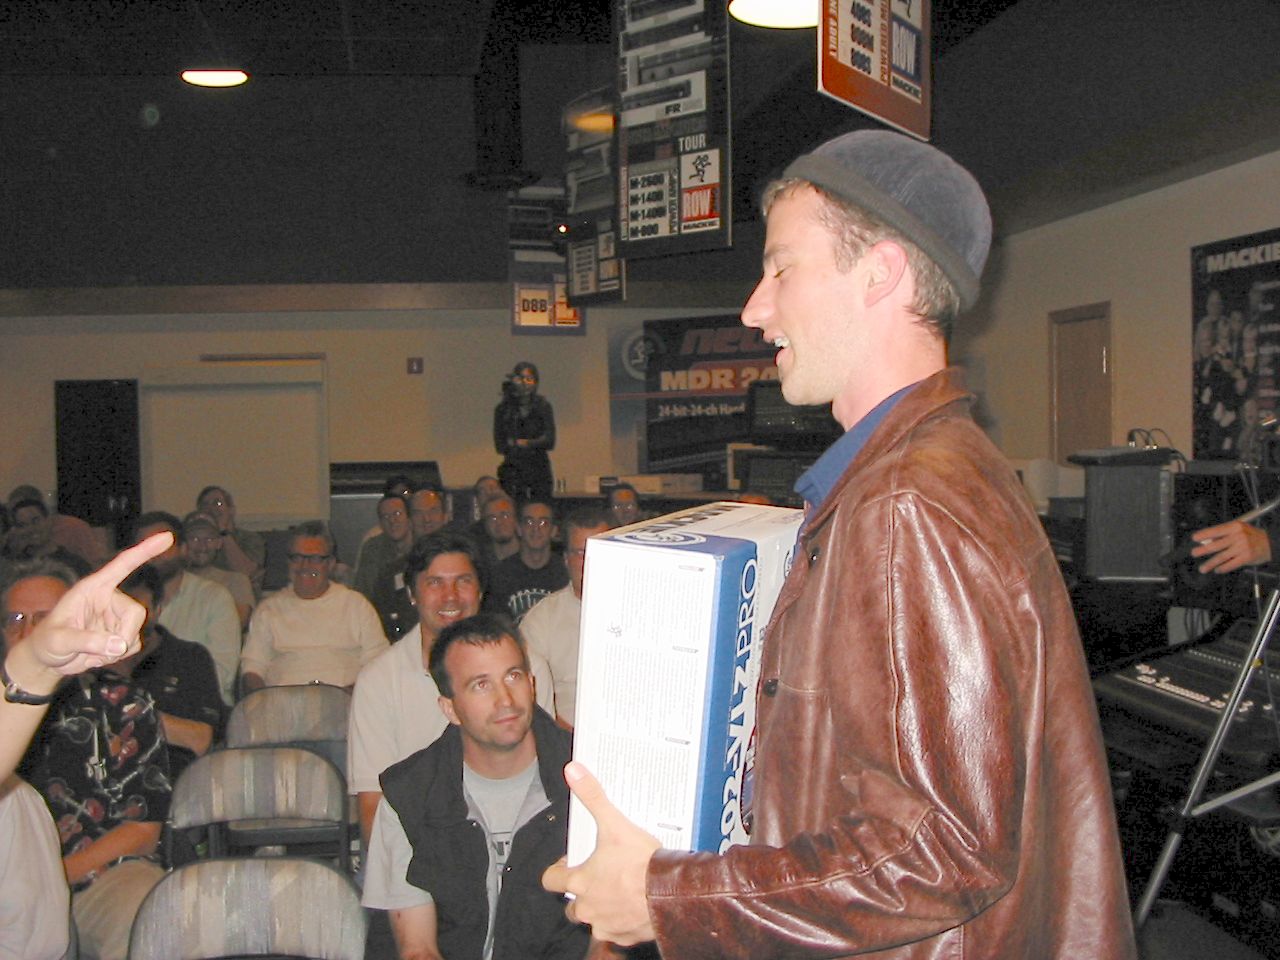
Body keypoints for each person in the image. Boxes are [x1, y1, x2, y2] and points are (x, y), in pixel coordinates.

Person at [544, 130, 1136, 958]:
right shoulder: (935, 470)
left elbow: (940, 850)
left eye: (782, 269)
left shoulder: (906, 503)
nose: (755, 308)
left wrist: (667, 897)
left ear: (880, 273)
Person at [364, 613, 590, 960]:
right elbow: (418, 949)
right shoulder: (409, 796)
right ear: (450, 709)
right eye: (481, 685)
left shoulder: (588, 780)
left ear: (532, 685)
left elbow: (610, 943)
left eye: (513, 676)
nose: (506, 700)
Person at [348, 530, 555, 847]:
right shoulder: (378, 681)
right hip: (420, 849)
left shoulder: (528, 668)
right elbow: (373, 805)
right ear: (412, 593)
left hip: (514, 841)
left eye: (463, 581)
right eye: (435, 583)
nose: (451, 597)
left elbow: (545, 778)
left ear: (481, 590)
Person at [8, 562, 170, 960]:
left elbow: (143, 829)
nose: (29, 633)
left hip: (100, 877)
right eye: (15, 620)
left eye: (45, 618)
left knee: (147, 911)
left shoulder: (123, 702)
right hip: (10, 889)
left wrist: (56, 877)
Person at [240, 521, 387, 692]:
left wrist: (350, 695)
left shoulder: (356, 606)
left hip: (347, 702)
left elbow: (379, 663)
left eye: (315, 559)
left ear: (330, 564)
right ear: (288, 562)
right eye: (297, 557)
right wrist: (264, 699)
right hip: (283, 704)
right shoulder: (268, 610)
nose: (305, 566)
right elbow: (252, 668)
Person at [116, 564, 226, 781]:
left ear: (158, 609)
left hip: (169, 779)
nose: (127, 620)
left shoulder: (190, 657)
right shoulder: (91, 663)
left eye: (137, 609)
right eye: (119, 610)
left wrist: (130, 714)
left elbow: (201, 740)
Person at [131, 512, 241, 706]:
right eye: (144, 547)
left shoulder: (214, 598)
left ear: (182, 549)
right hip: (137, 707)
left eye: (161, 546)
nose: (153, 555)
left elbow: (222, 674)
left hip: (197, 707)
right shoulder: (124, 601)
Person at [521, 507, 612, 727]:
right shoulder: (542, 619)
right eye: (580, 552)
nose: (589, 560)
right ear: (566, 559)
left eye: (599, 550)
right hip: (563, 736)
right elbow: (528, 699)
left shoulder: (642, 612)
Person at [487, 499, 568, 622]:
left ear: (554, 531)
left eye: (543, 523)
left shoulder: (566, 573)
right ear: (519, 528)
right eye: (529, 522)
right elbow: (496, 626)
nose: (536, 529)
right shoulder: (500, 575)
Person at [180, 510, 255, 630]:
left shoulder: (236, 581)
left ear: (219, 543)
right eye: (194, 539)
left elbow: (238, 622)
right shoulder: (171, 582)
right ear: (183, 544)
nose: (202, 546)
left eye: (209, 539)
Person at [494, 361, 556, 502]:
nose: (525, 384)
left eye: (529, 379)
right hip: (513, 468)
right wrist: (513, 444)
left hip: (538, 466)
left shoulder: (543, 406)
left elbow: (550, 440)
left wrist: (526, 443)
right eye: (520, 379)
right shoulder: (503, 409)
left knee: (540, 504)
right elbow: (500, 445)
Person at [196, 485, 266, 594]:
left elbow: (246, 572)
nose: (211, 509)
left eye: (217, 503)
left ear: (231, 510)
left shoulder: (250, 538)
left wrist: (223, 532)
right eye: (205, 505)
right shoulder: (195, 543)